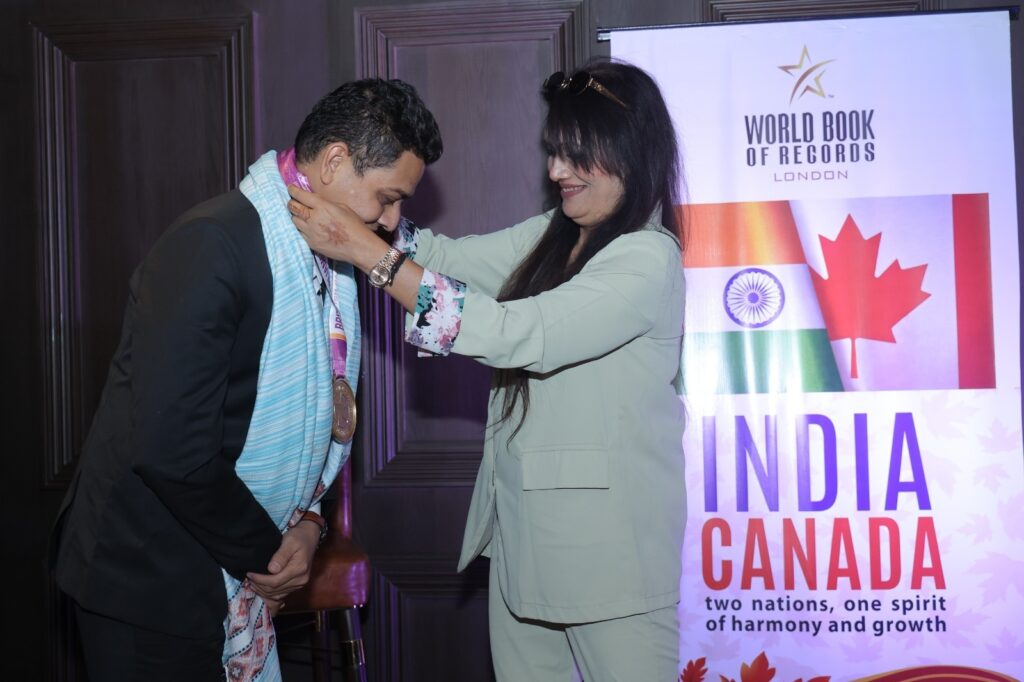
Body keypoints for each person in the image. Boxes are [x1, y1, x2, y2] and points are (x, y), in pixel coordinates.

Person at [288, 60, 686, 681]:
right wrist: (354, 205)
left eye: (576, 154)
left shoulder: (647, 259)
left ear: (631, 152)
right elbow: (445, 259)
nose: (556, 171)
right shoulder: (559, 233)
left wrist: (363, 251)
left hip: (611, 556)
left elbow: (514, 334)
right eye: (554, 151)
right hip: (521, 540)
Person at [49, 78, 442, 682]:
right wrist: (270, 557)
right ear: (335, 161)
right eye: (387, 198)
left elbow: (310, 427)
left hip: (226, 553)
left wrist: (309, 523)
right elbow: (171, 450)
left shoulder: (322, 256)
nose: (390, 221)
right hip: (149, 577)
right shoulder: (212, 243)